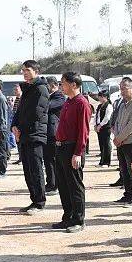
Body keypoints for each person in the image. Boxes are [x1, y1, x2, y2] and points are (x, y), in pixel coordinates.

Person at [52, 72, 92, 233]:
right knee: (63, 185)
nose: (61, 86)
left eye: (63, 83)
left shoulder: (81, 103)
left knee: (75, 185)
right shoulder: (68, 102)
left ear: (73, 85)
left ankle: (78, 219)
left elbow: (84, 131)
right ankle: (67, 216)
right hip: (61, 147)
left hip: (72, 148)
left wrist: (78, 153)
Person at [12, 60, 50, 215]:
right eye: (23, 70)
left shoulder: (41, 89)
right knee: (27, 169)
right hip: (24, 134)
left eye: (27, 70)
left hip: (35, 134)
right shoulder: (27, 88)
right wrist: (14, 126)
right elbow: (19, 111)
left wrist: (21, 128)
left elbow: (37, 113)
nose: (25, 72)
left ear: (36, 71)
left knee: (35, 169)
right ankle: (33, 199)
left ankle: (40, 202)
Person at [112, 77, 132, 207]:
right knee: (124, 170)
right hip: (120, 142)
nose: (122, 91)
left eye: (125, 88)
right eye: (121, 88)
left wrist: (119, 138)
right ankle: (128, 194)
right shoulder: (122, 104)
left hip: (131, 142)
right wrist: (116, 136)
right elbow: (118, 122)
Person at [44, 76, 66, 193]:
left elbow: (47, 107)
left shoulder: (59, 97)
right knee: (48, 160)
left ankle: (55, 184)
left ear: (53, 85)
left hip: (53, 133)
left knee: (53, 160)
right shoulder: (50, 96)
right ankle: (50, 182)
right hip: (47, 133)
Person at [94, 92, 114, 167]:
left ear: (105, 97)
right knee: (101, 145)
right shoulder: (99, 106)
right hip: (99, 128)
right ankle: (102, 161)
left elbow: (107, 118)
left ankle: (107, 162)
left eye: (100, 97)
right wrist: (95, 125)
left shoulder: (108, 106)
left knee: (106, 145)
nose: (99, 98)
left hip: (106, 128)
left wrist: (100, 125)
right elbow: (97, 116)